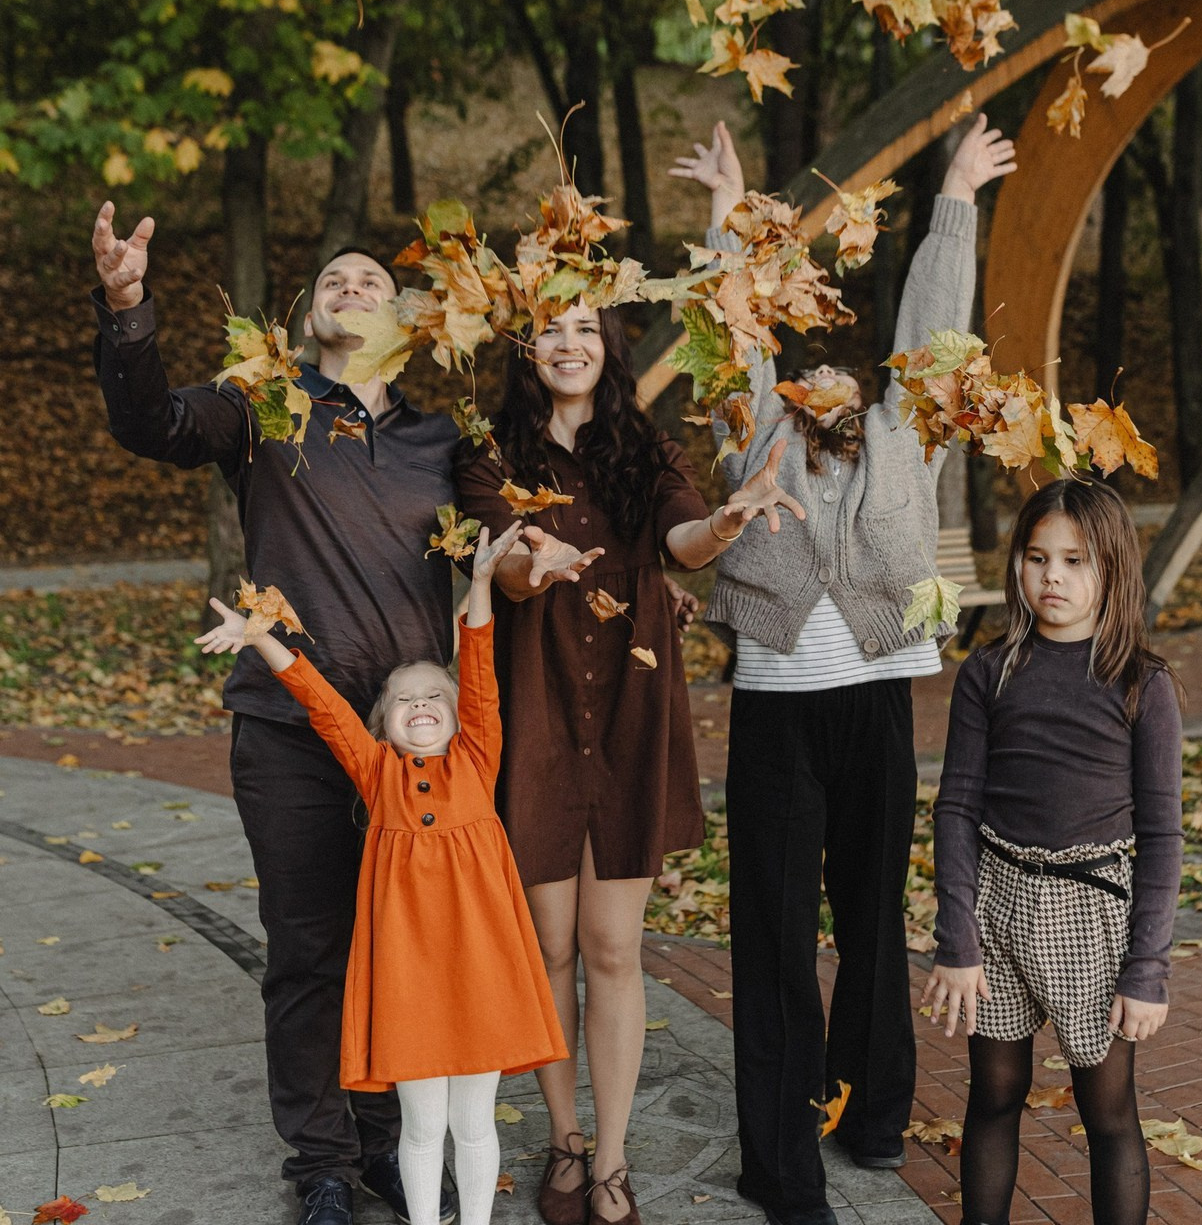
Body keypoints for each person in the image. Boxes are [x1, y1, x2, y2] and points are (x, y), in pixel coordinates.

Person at [668, 116, 1016, 1225]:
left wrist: (954, 191)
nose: (816, 375)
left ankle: (873, 1109)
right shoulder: (753, 424)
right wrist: (729, 210)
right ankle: (782, 1165)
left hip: (874, 709)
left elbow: (935, 327)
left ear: (863, 385)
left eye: (836, 365)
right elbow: (737, 334)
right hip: (775, 717)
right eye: (801, 363)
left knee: (870, 918)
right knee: (771, 937)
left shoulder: (907, 430)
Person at [90, 204, 459, 1225]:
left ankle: (388, 1137)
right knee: (306, 945)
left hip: (406, 745)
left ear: (408, 319)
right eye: (332, 280)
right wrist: (127, 304)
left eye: (371, 280)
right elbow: (149, 424)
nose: (350, 286)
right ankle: (323, 1161)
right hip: (290, 728)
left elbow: (512, 541)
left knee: (398, 944)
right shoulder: (262, 406)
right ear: (303, 320)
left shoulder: (441, 439)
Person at [453, 299, 804, 1225]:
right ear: (529, 351)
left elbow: (683, 543)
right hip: (535, 712)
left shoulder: (649, 452)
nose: (570, 344)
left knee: (612, 948)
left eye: (586, 329)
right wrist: (541, 558)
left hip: (630, 720)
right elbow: (511, 571)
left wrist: (728, 520)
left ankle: (610, 1157)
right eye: (551, 330)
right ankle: (563, 1141)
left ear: (610, 348)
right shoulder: (490, 456)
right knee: (550, 949)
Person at [194, 521, 568, 1225]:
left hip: (480, 966)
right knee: (422, 1126)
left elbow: (480, 670)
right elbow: (322, 705)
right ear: (384, 724)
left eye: (434, 695)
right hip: (410, 977)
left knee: (476, 1122)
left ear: (458, 720)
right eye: (403, 699)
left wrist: (482, 585)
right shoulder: (376, 775)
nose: (421, 704)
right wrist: (261, 638)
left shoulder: (475, 763)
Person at [923, 479, 1184, 1225]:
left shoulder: (1141, 683)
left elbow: (1163, 837)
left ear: (1112, 568)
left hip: (1092, 915)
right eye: (1037, 558)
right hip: (998, 906)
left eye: (1075, 560)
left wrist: (1148, 970)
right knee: (995, 1096)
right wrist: (958, 938)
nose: (1053, 577)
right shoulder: (989, 671)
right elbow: (958, 807)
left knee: (1108, 1116)